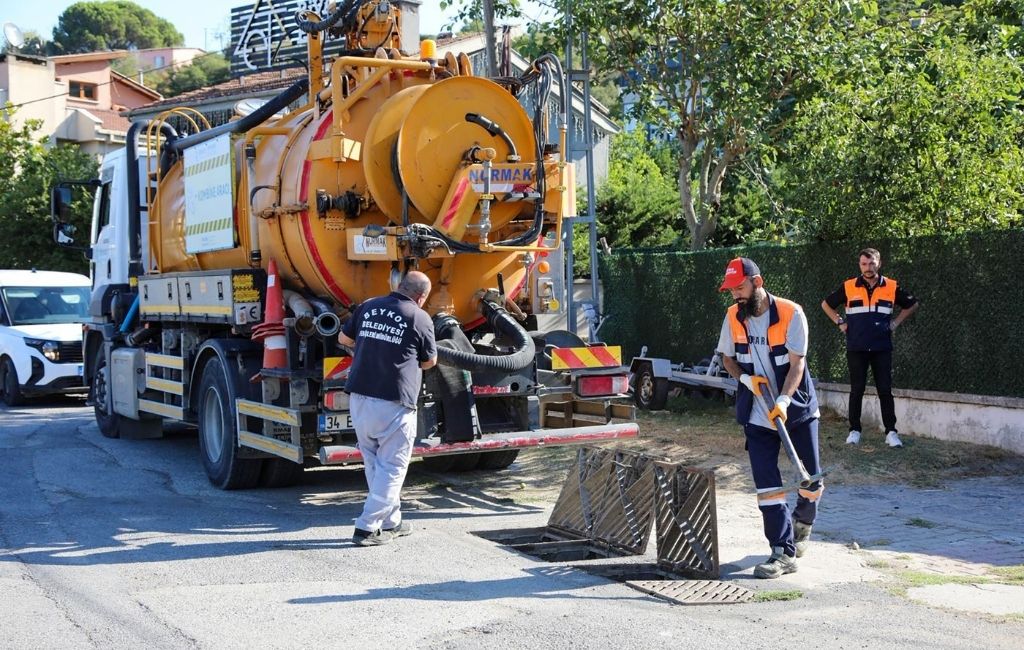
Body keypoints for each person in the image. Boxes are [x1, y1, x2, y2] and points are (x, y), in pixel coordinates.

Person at [717, 257, 823, 579]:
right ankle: (782, 551)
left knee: (812, 479)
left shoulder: (792, 313)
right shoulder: (734, 316)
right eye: (731, 290)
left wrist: (784, 399)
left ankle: (802, 522)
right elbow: (727, 358)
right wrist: (745, 379)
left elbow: (797, 365)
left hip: (795, 408)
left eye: (740, 287)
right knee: (768, 485)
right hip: (757, 412)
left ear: (757, 282)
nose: (736, 295)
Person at [338, 271, 437, 547]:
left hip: (359, 396)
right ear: (422, 297)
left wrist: (373, 347)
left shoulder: (368, 306)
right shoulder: (419, 317)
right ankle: (367, 527)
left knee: (374, 463)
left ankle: (392, 522)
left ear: (398, 286)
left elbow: (344, 340)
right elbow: (429, 362)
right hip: (394, 402)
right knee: (393, 467)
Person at [821, 248, 919, 448]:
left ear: (879, 263)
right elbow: (826, 304)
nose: (868, 267)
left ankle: (891, 432)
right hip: (856, 347)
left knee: (885, 390)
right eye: (864, 264)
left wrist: (895, 323)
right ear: (859, 265)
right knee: (857, 389)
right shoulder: (849, 286)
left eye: (872, 263)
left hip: (882, 347)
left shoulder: (891, 286)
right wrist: (840, 322)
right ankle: (854, 431)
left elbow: (912, 304)